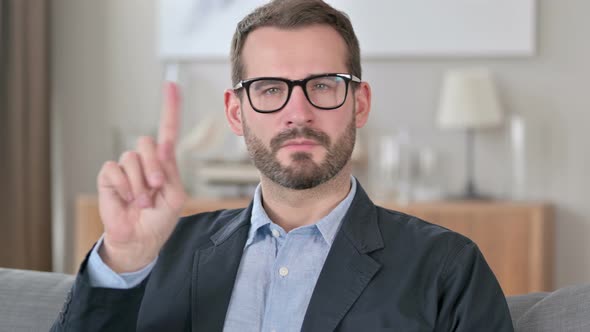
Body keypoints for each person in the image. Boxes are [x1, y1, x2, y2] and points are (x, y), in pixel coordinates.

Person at [52, 0, 514, 331]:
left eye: (323, 85)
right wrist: (125, 261)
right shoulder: (154, 255)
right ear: (236, 111)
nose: (298, 112)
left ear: (359, 103)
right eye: (271, 88)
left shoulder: (446, 267)